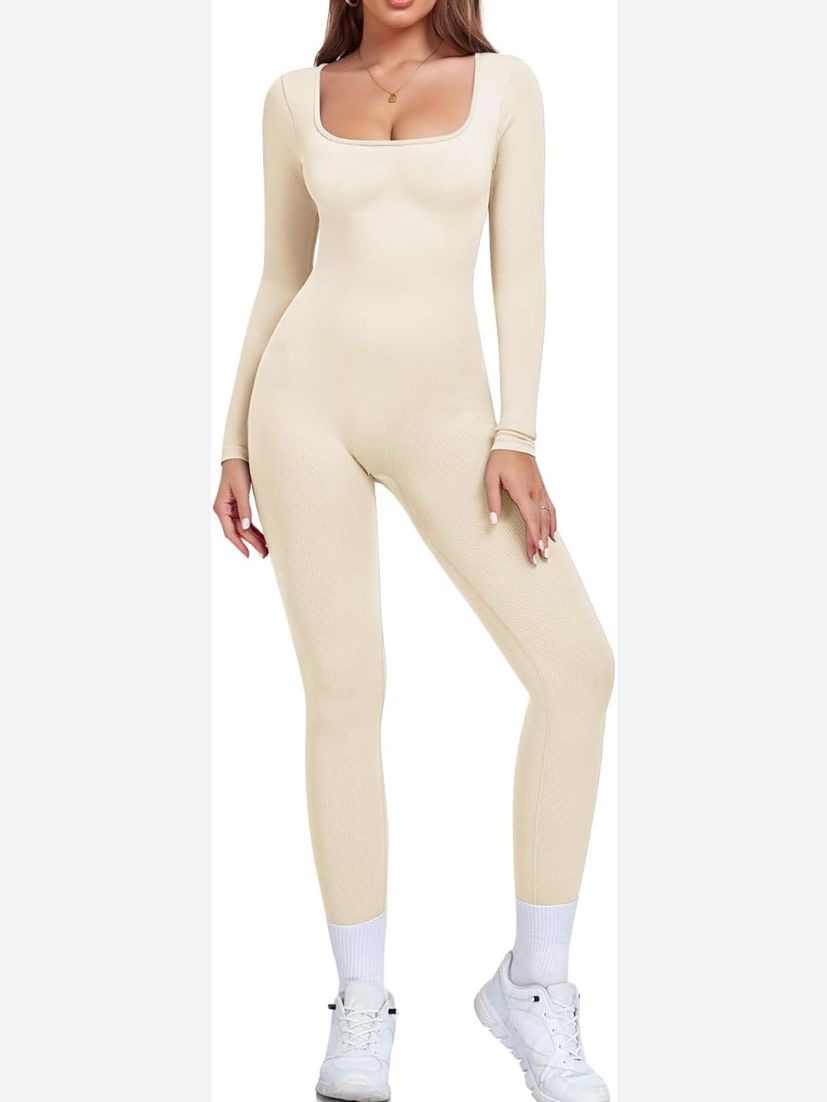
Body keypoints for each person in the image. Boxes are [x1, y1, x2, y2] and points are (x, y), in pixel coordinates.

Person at [213, 2, 614, 1099]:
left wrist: (517, 435)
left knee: (577, 670)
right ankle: (360, 1006)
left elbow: (520, 271)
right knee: (344, 696)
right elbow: (279, 275)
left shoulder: (509, 87)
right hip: (302, 412)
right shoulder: (292, 98)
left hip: (451, 426)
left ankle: (532, 985)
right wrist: (234, 440)